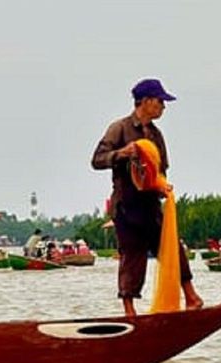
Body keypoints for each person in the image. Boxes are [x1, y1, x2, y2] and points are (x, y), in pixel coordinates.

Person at [91, 77, 203, 316]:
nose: (163, 107)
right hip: (126, 206)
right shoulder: (119, 128)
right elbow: (97, 160)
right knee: (132, 256)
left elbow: (161, 171)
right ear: (146, 101)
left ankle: (191, 296)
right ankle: (130, 311)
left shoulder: (156, 135)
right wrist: (122, 153)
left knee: (172, 248)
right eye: (160, 101)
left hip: (150, 205)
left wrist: (162, 186)